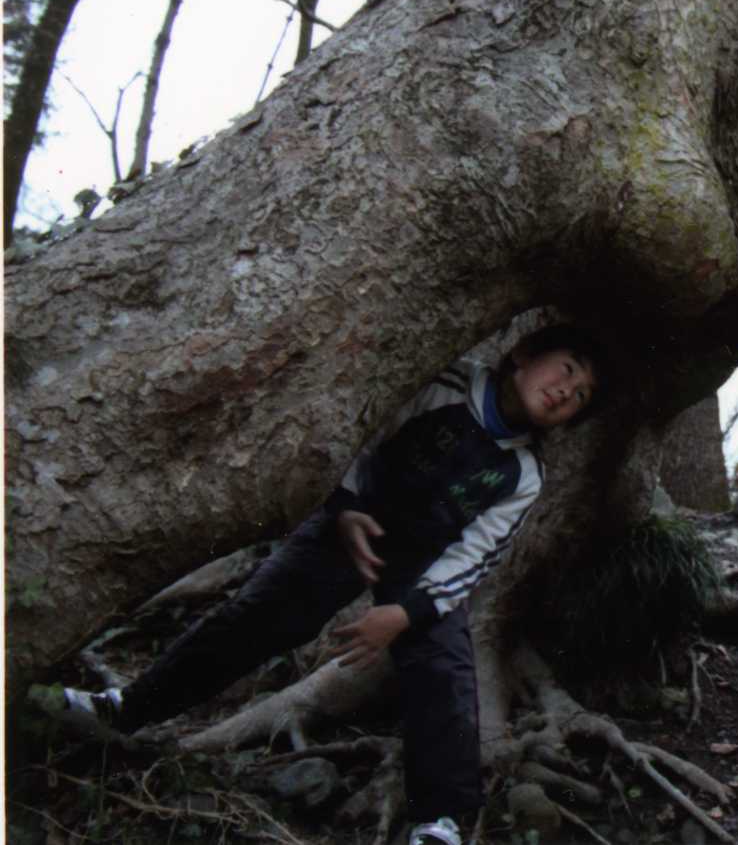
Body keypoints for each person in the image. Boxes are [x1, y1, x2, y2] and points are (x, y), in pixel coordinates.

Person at [59, 326, 604, 845]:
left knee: (444, 666)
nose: (564, 391)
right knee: (259, 614)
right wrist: (344, 507)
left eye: (580, 395)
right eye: (566, 369)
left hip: (424, 565)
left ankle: (442, 820)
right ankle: (127, 708)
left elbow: (475, 555)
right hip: (356, 523)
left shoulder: (525, 473)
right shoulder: (446, 384)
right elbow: (365, 431)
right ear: (524, 356)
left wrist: (405, 613)